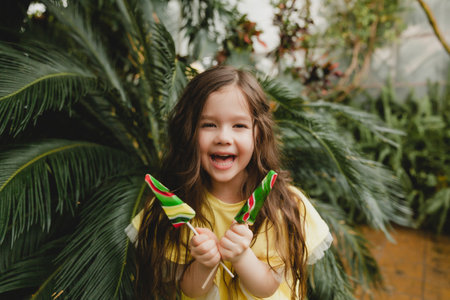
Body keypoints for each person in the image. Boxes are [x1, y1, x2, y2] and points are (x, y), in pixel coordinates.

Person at [127, 65, 332, 300]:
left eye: (239, 126)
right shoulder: (177, 206)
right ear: (189, 132)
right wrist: (204, 263)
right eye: (209, 125)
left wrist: (242, 256)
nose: (224, 138)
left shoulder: (282, 206)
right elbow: (191, 291)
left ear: (258, 133)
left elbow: (266, 288)